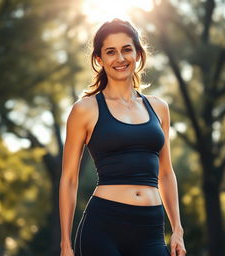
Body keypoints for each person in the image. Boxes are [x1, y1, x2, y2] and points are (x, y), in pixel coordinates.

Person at [59, 18, 186, 256]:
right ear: (99, 59)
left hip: (151, 229)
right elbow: (68, 179)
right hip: (103, 227)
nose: (120, 58)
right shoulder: (85, 110)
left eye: (127, 49)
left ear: (138, 54)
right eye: (111, 52)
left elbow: (166, 173)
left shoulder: (159, 108)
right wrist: (65, 245)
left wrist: (177, 229)